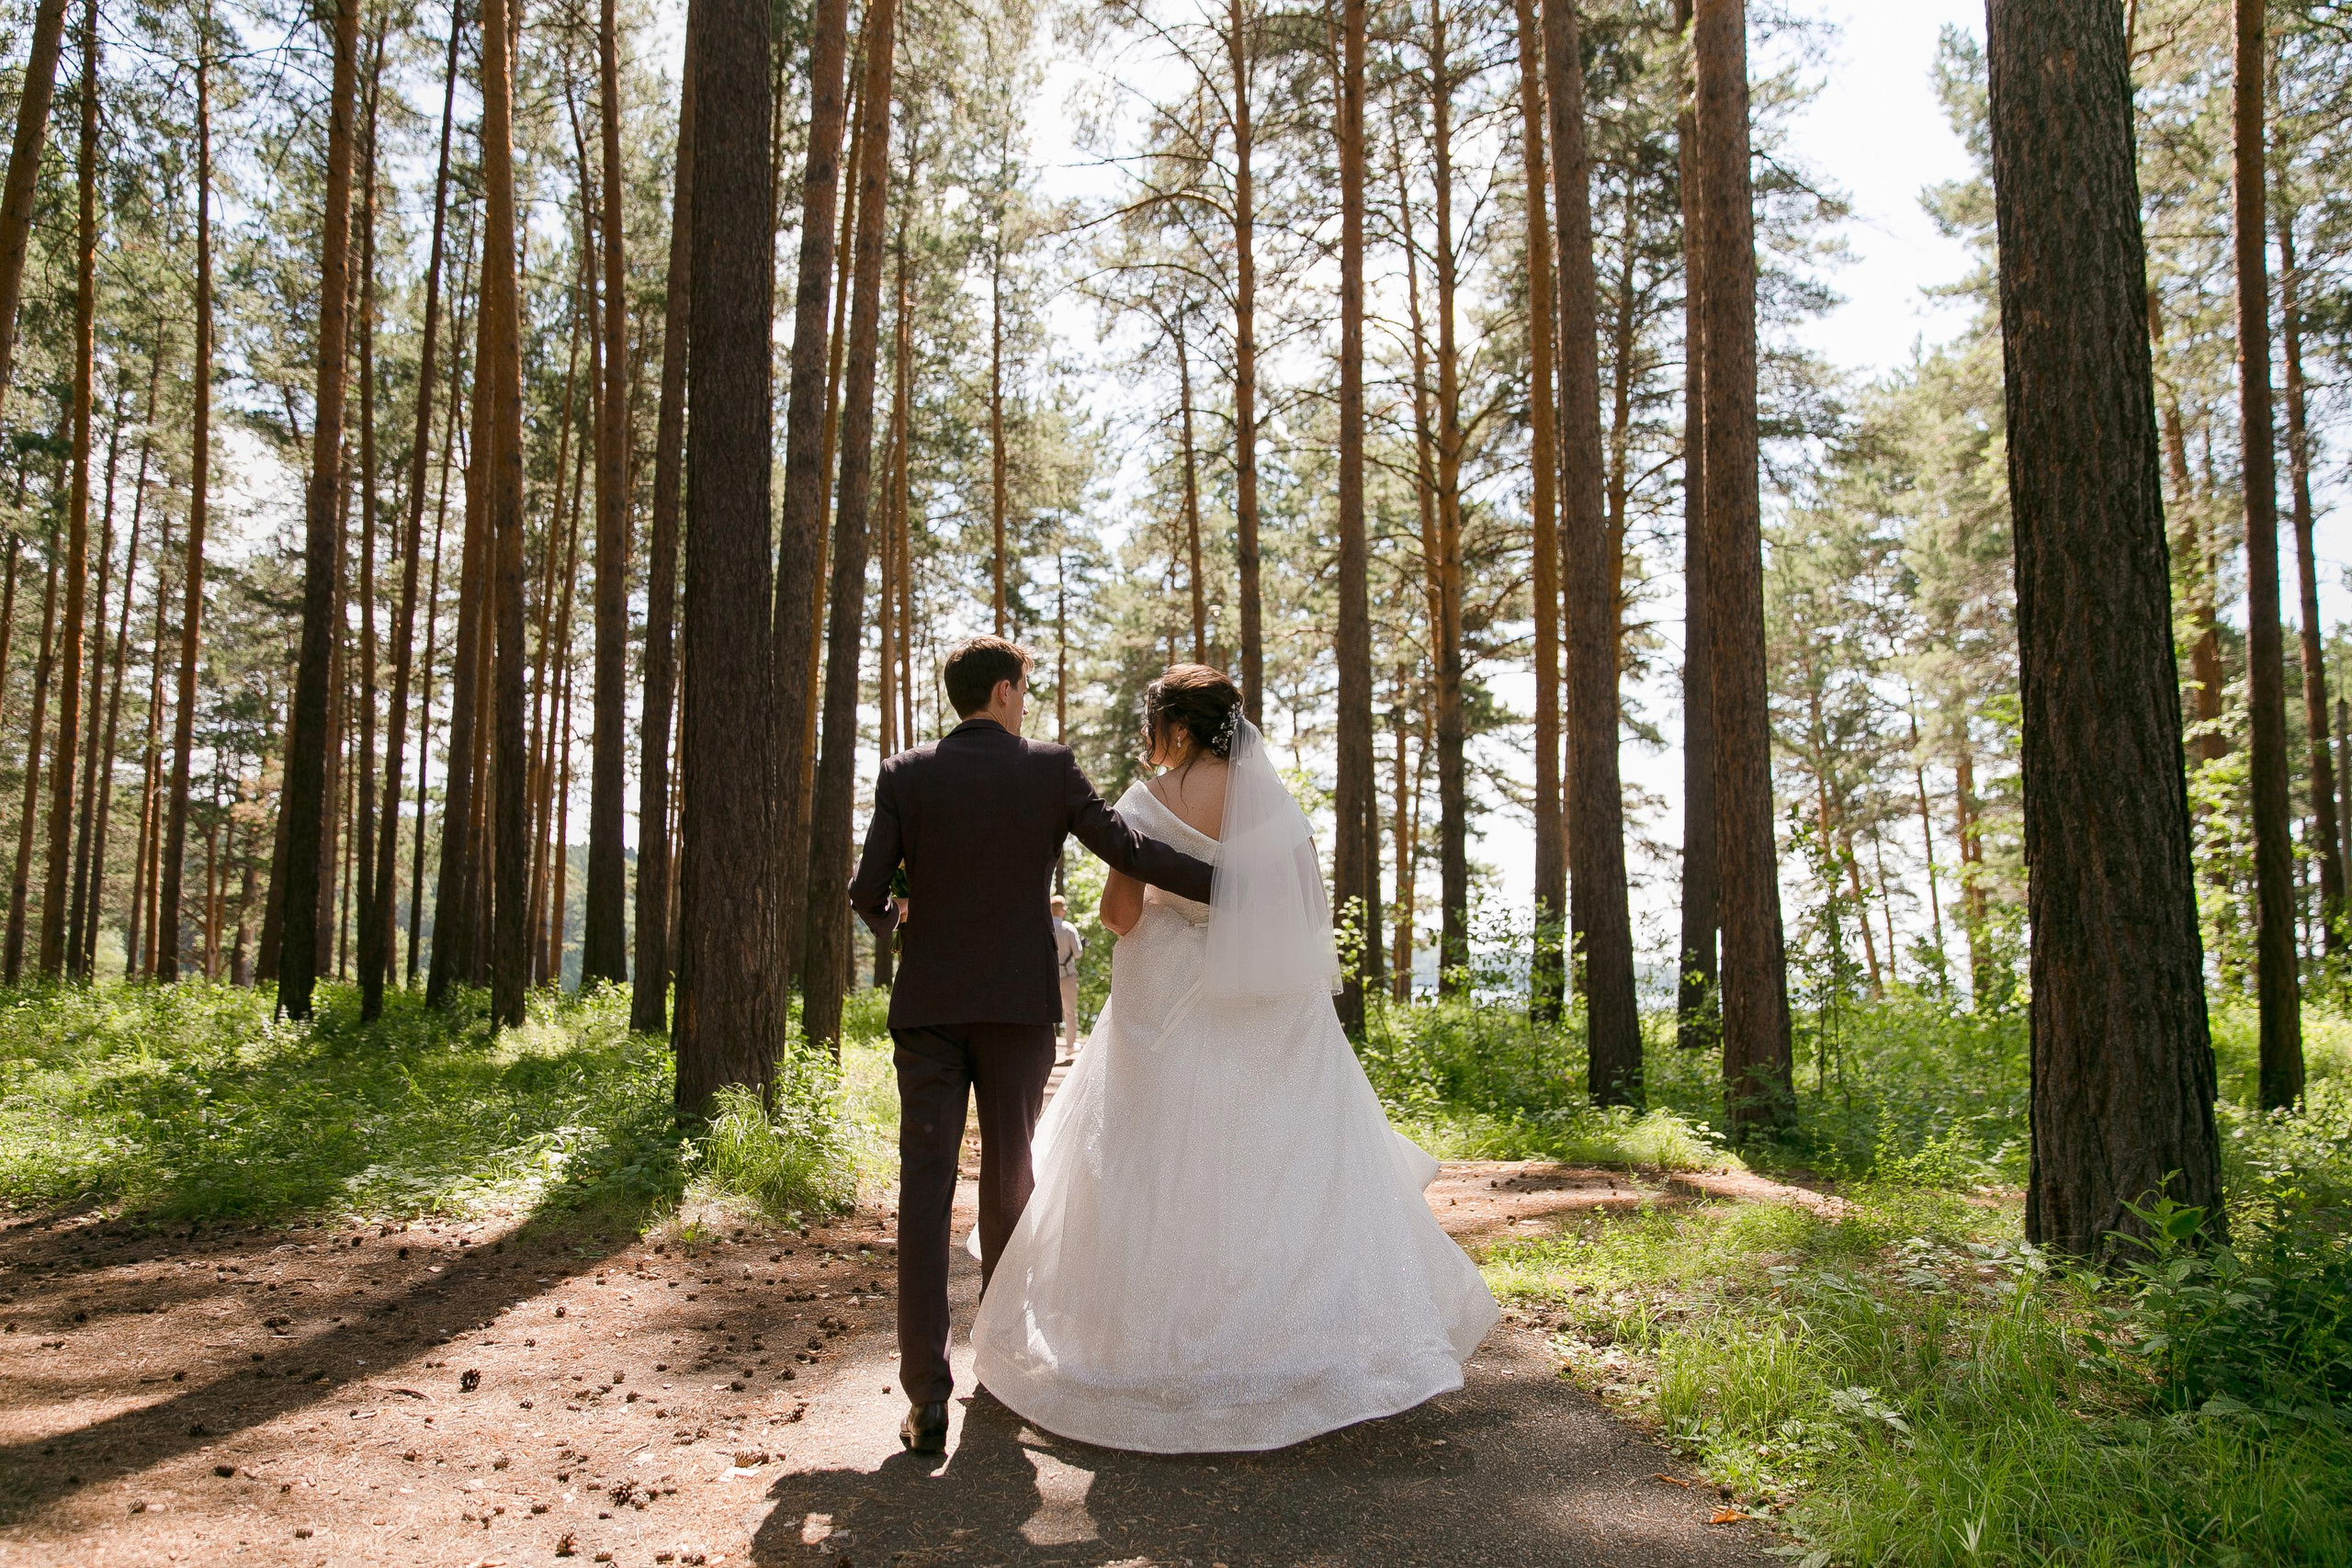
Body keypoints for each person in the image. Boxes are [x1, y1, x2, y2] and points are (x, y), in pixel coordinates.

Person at [970, 664, 1497, 1453]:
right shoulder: (1270, 802)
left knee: (1159, 1162)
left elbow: (1119, 915)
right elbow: (1299, 912)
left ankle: (1156, 1341)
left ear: (1178, 729)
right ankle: (1286, 1337)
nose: (1148, 738)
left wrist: (1160, 906)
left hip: (1166, 1000)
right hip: (1264, 1005)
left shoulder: (1145, 803)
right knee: (1272, 1159)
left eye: (1154, 724)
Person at [845, 636, 1216, 1456]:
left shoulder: (906, 773)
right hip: (1017, 1007)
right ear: (1007, 691)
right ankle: (1001, 1361)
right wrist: (1223, 883)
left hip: (929, 1010)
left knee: (924, 1188)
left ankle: (925, 1395)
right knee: (1010, 1176)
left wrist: (897, 913)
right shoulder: (1049, 767)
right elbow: (1126, 848)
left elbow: (867, 889)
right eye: (1024, 687)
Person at [1049, 895, 1085, 1062]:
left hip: (1050, 976)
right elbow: (1078, 953)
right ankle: (1070, 1046)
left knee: (1049, 1011)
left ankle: (1049, 1047)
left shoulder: (1045, 927)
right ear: (1062, 910)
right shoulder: (1069, 929)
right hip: (1068, 975)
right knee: (1070, 1011)